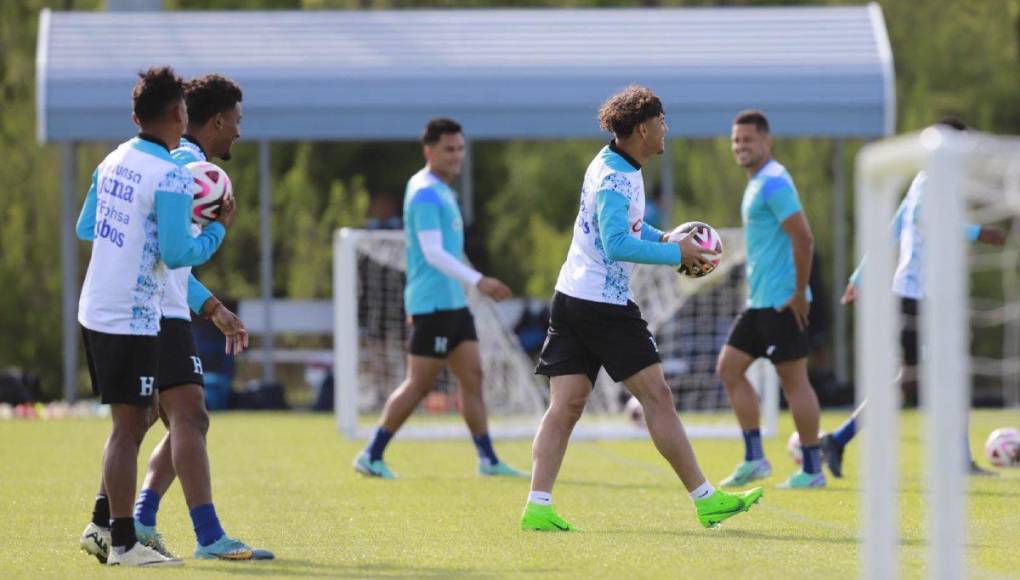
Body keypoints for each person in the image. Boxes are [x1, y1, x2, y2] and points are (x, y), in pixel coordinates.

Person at [522, 85, 763, 532]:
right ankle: (706, 500)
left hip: (573, 296)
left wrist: (666, 238)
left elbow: (628, 227)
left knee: (566, 405)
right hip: (602, 305)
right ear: (643, 128)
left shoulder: (614, 163)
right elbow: (615, 245)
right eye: (662, 122)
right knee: (657, 397)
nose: (666, 130)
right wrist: (678, 256)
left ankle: (537, 506)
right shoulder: (615, 177)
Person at [75, 66, 229, 567]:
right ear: (180, 115)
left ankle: (106, 528)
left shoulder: (114, 157)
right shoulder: (170, 175)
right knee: (128, 427)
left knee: (137, 420)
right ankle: (122, 544)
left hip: (99, 305)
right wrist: (218, 228)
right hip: (131, 313)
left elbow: (85, 227)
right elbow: (180, 251)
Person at [826, 117, 1007, 478]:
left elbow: (891, 229)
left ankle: (840, 438)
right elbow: (923, 219)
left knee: (913, 380)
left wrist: (859, 276)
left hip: (918, 295)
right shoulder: (933, 181)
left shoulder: (925, 179)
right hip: (919, 296)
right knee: (932, 377)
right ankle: (956, 460)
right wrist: (977, 232)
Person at [353, 118, 525, 479]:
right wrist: (479, 279)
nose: (456, 156)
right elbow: (432, 252)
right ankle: (372, 454)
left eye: (460, 148)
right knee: (419, 384)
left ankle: (488, 460)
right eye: (449, 149)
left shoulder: (444, 190)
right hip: (431, 303)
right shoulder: (425, 192)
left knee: (472, 377)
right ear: (428, 151)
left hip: (453, 302)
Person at [716, 109, 826, 489]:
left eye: (748, 140)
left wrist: (799, 292)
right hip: (759, 302)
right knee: (728, 369)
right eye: (736, 141)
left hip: (783, 302)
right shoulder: (756, 183)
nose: (741, 147)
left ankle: (812, 470)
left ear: (767, 141)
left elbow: (803, 237)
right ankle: (755, 458)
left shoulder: (776, 182)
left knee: (793, 381)